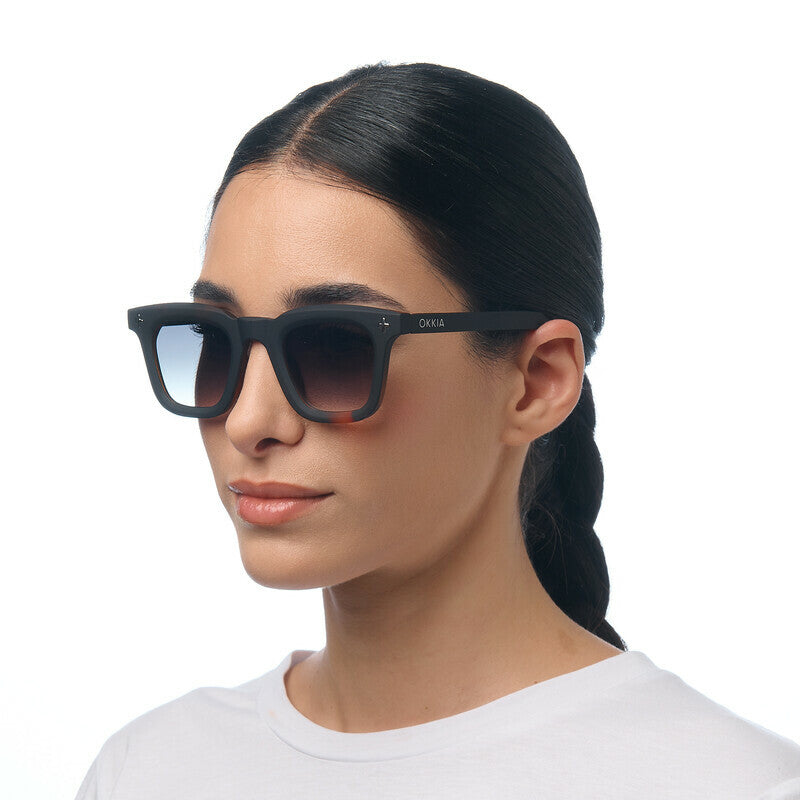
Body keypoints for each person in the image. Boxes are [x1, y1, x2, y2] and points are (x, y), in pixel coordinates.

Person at [76, 61, 800, 799]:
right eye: (214, 340)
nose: (249, 420)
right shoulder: (149, 770)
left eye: (336, 346)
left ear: (538, 381)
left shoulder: (734, 786)